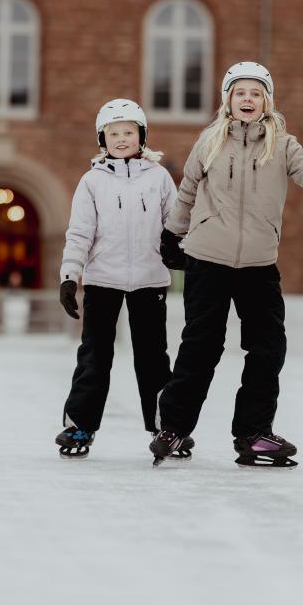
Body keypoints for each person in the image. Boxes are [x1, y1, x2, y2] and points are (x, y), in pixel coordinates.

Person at [152, 62, 303, 468]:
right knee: (201, 347)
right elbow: (187, 191)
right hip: (208, 258)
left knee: (268, 347)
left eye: (256, 93)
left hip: (259, 263)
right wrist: (172, 234)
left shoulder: (282, 144)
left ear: (266, 102)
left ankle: (253, 433)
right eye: (240, 92)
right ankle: (174, 428)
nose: (248, 99)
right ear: (228, 100)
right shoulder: (209, 141)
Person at [55, 99, 193, 461]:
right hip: (102, 280)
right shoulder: (92, 181)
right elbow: (80, 232)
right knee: (94, 356)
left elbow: (176, 223)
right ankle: (80, 424)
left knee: (153, 359)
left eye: (128, 132)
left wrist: (182, 253)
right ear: (102, 139)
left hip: (150, 280)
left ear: (141, 136)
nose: (121, 139)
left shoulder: (159, 177)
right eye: (113, 133)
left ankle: (167, 427)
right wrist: (69, 276)